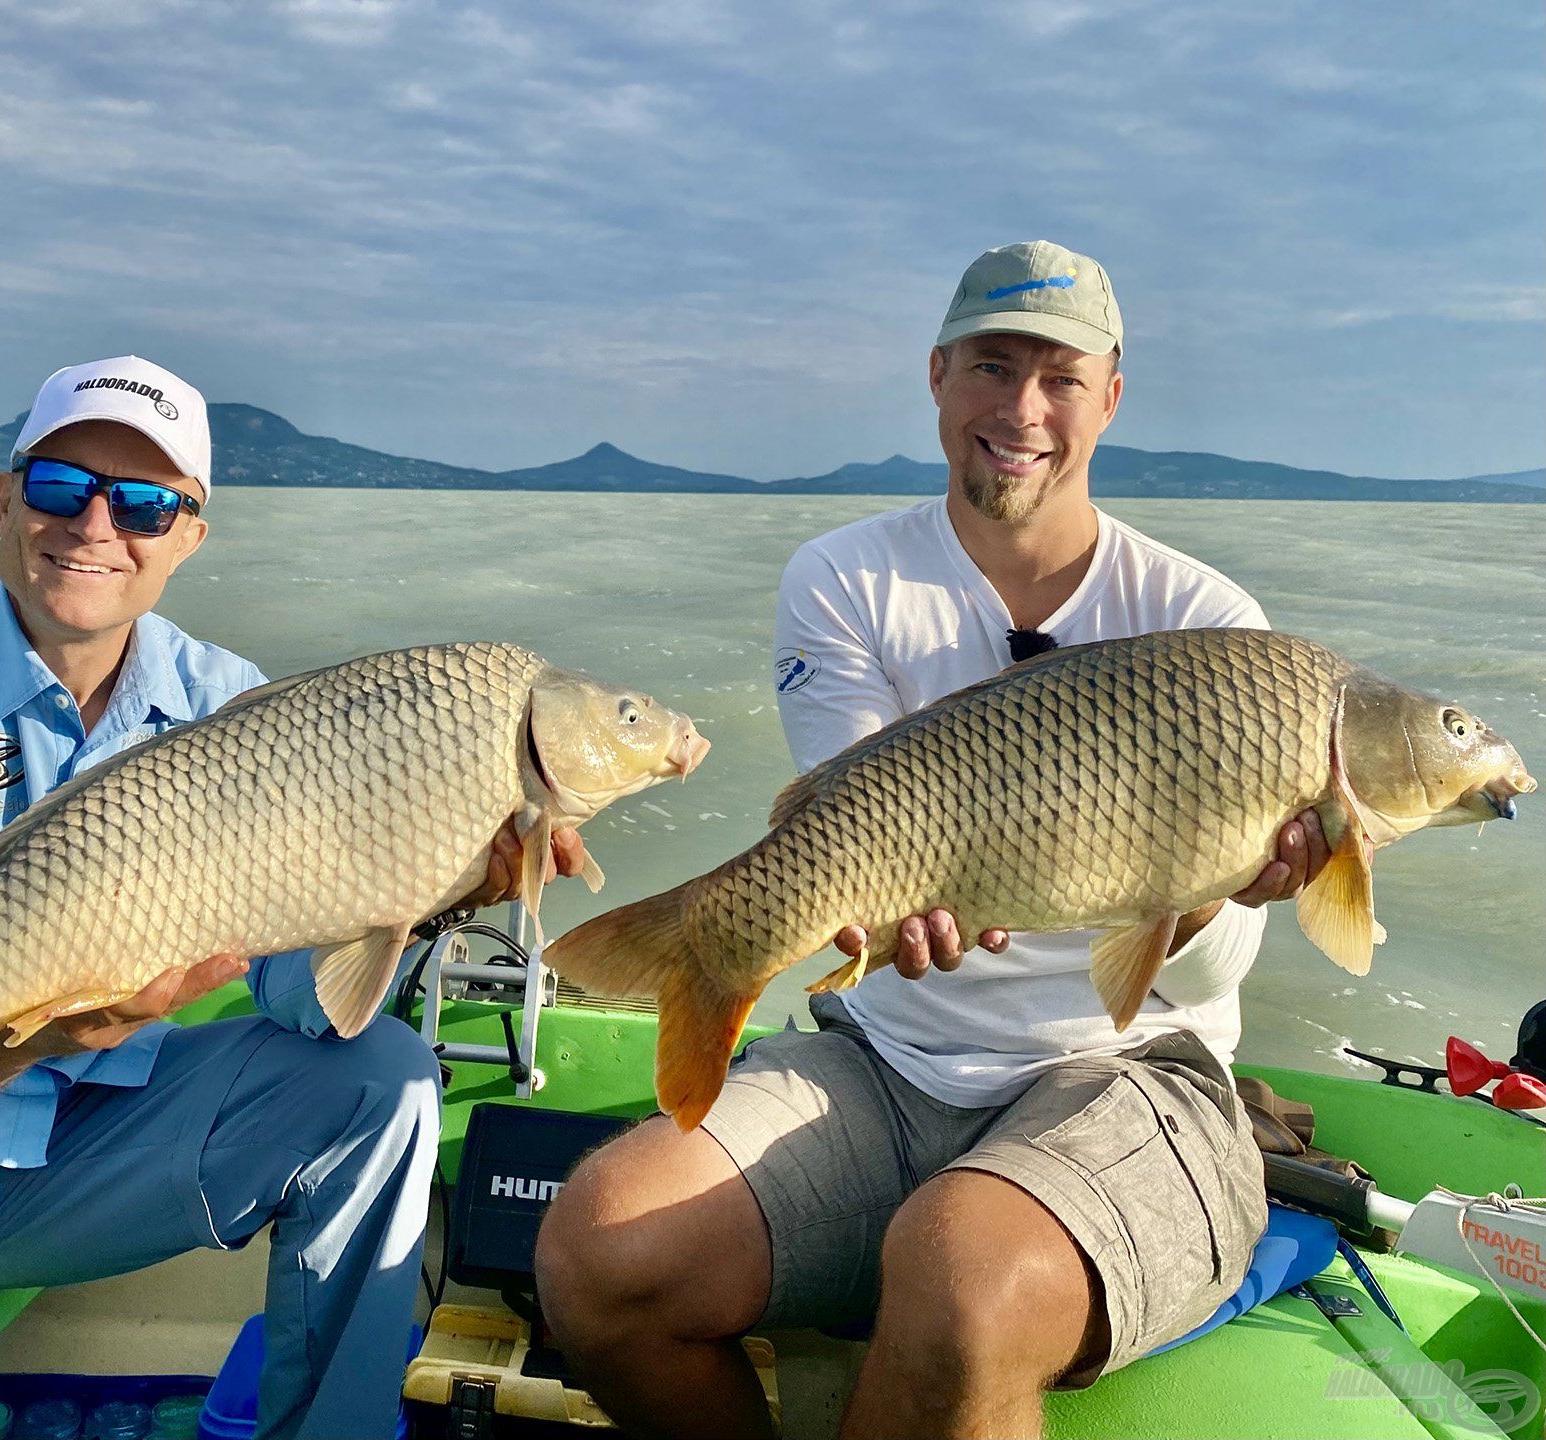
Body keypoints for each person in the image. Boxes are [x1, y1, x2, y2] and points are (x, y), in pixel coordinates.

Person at [0, 355, 563, 1440]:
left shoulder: (239, 705)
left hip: (107, 1144)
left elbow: (304, 1001)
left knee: (384, 1078)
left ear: (188, 537)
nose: (94, 524)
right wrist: (36, 1038)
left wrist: (436, 890)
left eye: (141, 503)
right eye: (59, 485)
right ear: (3, 495)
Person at [536, 242, 1332, 1440]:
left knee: (961, 1279)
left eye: (1061, 378)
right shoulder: (845, 577)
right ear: (937, 374)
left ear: (1110, 396)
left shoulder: (1208, 625)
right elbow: (856, 828)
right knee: (597, 1249)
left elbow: (1205, 979)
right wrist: (854, 918)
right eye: (992, 368)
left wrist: (1224, 894)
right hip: (890, 1059)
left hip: (1131, 1074)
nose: (1022, 410)